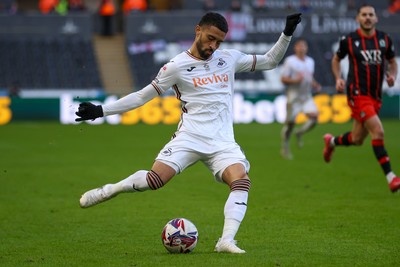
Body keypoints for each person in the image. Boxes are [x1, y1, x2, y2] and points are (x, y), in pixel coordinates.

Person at [75, 12, 302, 253]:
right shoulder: (176, 66)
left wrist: (287, 34)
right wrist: (101, 110)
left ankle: (226, 241)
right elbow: (142, 96)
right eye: (211, 38)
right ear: (198, 31)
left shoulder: (229, 59)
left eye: (219, 42)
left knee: (241, 181)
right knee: (154, 181)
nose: (213, 46)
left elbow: (269, 61)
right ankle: (112, 189)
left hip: (223, 143)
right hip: (189, 138)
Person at [326, 4, 400, 192]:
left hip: (376, 96)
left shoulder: (384, 40)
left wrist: (393, 76)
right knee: (379, 132)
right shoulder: (349, 40)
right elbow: (336, 59)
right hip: (357, 94)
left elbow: (392, 62)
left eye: (371, 15)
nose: (367, 17)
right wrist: (338, 79)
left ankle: (332, 142)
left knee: (357, 139)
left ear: (376, 19)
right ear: (358, 19)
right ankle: (391, 177)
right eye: (364, 15)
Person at [280, 38, 321, 160]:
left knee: (314, 118)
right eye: (299, 46)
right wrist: (295, 80)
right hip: (294, 97)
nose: (302, 48)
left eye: (304, 46)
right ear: (295, 48)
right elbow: (283, 79)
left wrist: (315, 84)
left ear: (306, 48)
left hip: (306, 96)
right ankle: (285, 146)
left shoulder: (310, 61)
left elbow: (309, 77)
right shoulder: (290, 61)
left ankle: (300, 132)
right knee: (290, 124)